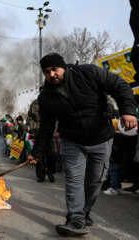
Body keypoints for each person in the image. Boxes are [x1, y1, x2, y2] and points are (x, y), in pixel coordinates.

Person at [27, 53, 137, 237]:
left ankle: (85, 211)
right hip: (72, 141)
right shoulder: (46, 97)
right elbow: (46, 127)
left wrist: (128, 111)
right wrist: (36, 152)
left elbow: (120, 86)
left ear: (63, 66)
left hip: (101, 137)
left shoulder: (88, 72)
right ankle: (75, 219)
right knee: (74, 181)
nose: (52, 74)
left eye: (55, 69)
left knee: (95, 181)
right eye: (47, 72)